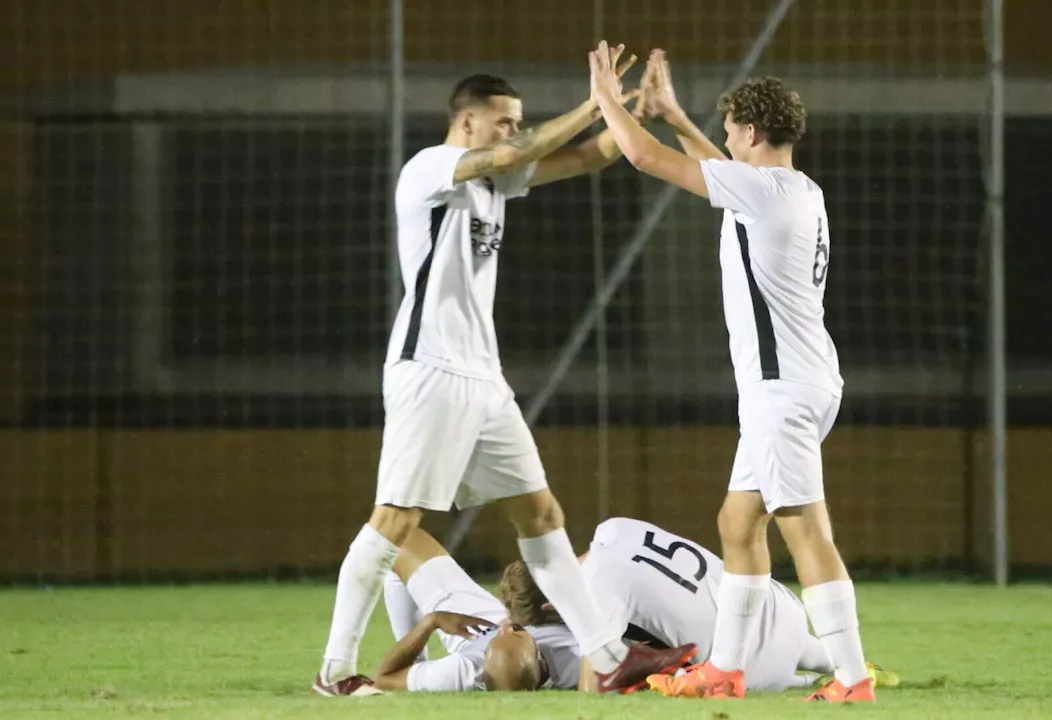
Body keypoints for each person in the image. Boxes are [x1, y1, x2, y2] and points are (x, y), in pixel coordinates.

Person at [312, 46, 695, 697]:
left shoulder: (494, 183)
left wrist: (635, 107)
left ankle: (606, 655)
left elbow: (594, 155)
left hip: (483, 380)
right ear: (467, 123)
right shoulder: (432, 168)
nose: (514, 130)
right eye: (504, 120)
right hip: (430, 370)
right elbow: (515, 155)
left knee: (541, 514)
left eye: (518, 120)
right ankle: (334, 672)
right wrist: (594, 99)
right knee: (395, 521)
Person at [584, 45, 874, 702]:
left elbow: (645, 158)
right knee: (738, 525)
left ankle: (853, 678)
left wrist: (606, 95)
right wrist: (676, 114)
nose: (723, 139)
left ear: (750, 131)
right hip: (801, 383)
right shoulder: (797, 189)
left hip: (783, 393)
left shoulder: (763, 189)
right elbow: (717, 169)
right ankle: (728, 670)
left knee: (805, 531)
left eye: (728, 129)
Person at [499, 517, 898, 694]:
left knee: (664, 671)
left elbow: (593, 688)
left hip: (748, 665)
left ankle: (809, 679)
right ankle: (846, 667)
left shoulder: (597, 595)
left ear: (554, 605)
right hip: (778, 604)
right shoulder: (614, 528)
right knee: (799, 645)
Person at [373, 533, 579, 693]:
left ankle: (416, 665)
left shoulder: (464, 671)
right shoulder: (576, 662)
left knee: (399, 541)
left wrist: (430, 622)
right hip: (542, 617)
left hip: (473, 630)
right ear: (540, 659)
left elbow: (385, 678)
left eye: (509, 631)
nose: (506, 627)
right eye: (515, 630)